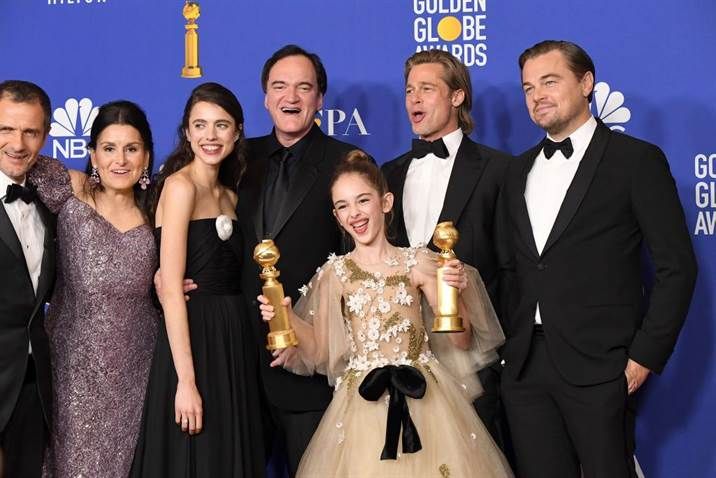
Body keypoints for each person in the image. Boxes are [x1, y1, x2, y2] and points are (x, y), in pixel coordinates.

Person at [498, 40, 697, 478]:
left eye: (550, 82)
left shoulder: (636, 161)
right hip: (526, 368)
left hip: (601, 366)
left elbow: (677, 268)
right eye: (528, 88)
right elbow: (512, 268)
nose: (537, 96)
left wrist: (643, 357)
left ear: (586, 83)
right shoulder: (516, 171)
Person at [258, 150, 513, 477]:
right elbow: (320, 350)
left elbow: (461, 341)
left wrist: (452, 294)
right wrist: (288, 319)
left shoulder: (418, 262)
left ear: (386, 202)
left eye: (363, 200)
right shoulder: (334, 274)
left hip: (427, 400)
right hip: (361, 406)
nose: (354, 213)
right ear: (336, 216)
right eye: (343, 206)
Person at [237, 44, 363, 476]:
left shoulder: (346, 162)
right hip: (240, 365)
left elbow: (361, 264)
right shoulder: (236, 160)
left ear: (320, 99)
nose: (290, 97)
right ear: (265, 97)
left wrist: (315, 342)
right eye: (280, 86)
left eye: (303, 87)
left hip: (311, 369)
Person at [381, 49, 513, 457]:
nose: (414, 99)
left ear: (457, 96)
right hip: (404, 356)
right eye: (409, 90)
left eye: (427, 88)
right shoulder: (388, 173)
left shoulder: (499, 170)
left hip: (473, 356)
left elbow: (512, 267)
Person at [131, 82, 264, 477]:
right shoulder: (179, 187)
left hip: (234, 338)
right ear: (187, 132)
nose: (211, 136)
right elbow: (172, 290)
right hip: (193, 338)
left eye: (221, 125)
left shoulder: (231, 196)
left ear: (237, 132)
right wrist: (186, 381)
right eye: (200, 125)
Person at [27, 100, 158, 477]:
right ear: (93, 155)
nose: (121, 160)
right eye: (109, 148)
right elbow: (18, 154)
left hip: (138, 370)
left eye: (131, 149)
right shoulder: (70, 190)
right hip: (70, 370)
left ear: (146, 157)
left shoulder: (159, 210)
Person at [0, 80, 54, 478]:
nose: (18, 144)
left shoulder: (48, 204)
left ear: (45, 136)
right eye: (6, 129)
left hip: (33, 389)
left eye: (30, 132)